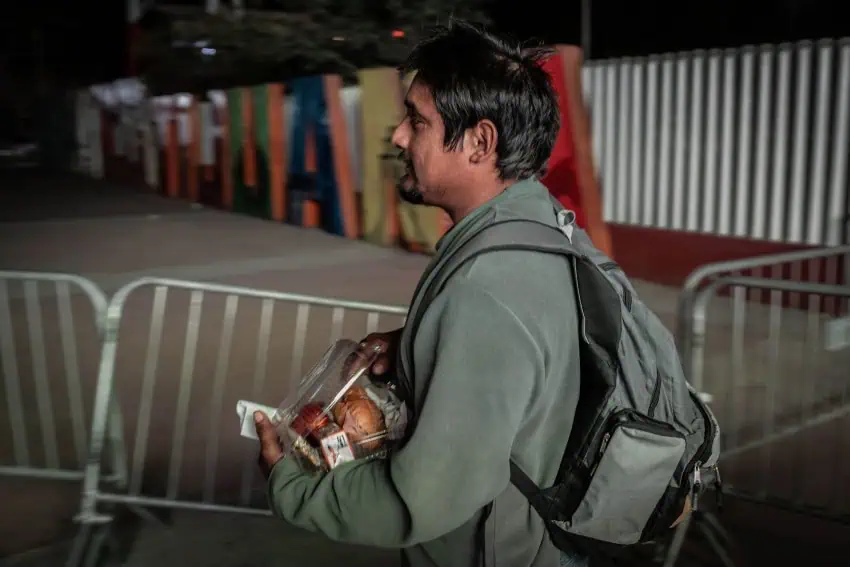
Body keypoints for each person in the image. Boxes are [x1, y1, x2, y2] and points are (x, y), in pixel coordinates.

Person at [254, 20, 587, 567]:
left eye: (417, 121)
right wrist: (421, 342)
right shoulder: (544, 225)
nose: (400, 137)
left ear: (481, 142)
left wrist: (290, 485)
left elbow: (420, 500)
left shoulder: (487, 289)